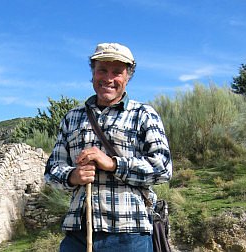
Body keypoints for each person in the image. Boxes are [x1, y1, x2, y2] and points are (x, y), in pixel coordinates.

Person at [45, 42, 172, 252]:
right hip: (78, 234)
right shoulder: (72, 118)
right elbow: (51, 171)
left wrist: (113, 164)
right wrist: (73, 176)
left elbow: (163, 169)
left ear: (128, 76)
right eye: (102, 70)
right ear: (93, 72)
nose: (108, 78)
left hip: (129, 235)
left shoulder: (143, 115)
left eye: (117, 72)